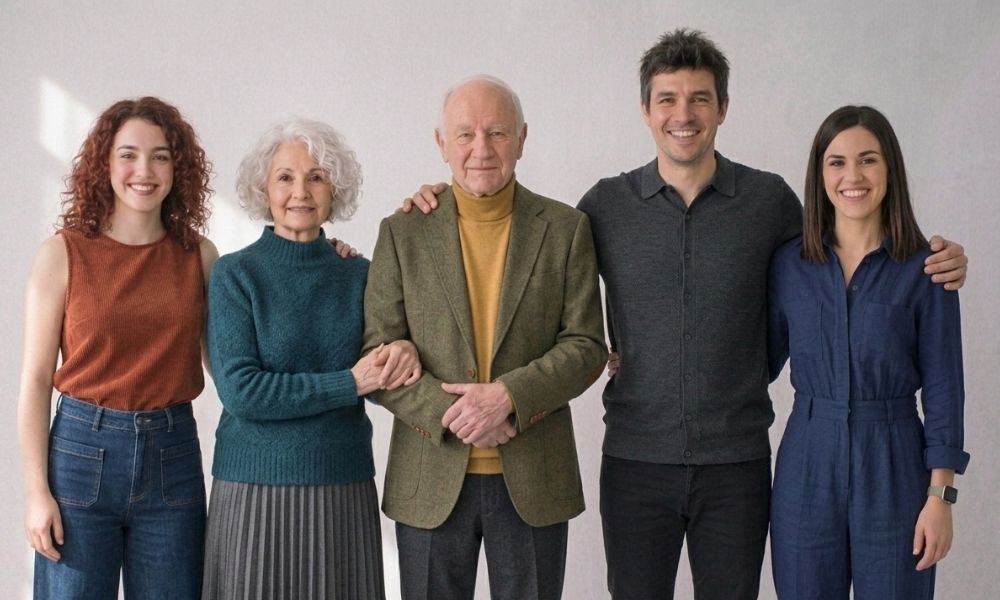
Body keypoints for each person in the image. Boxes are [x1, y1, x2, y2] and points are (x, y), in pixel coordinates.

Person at [402, 30, 968, 600]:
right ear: (646, 110)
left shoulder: (769, 203)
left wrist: (936, 257)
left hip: (737, 464)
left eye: (700, 98)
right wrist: (441, 196)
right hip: (634, 461)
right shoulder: (603, 207)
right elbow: (532, 260)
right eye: (668, 98)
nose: (684, 114)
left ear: (723, 107)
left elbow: (842, 250)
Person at [362, 75, 607, 600]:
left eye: (497, 133)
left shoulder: (565, 229)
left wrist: (509, 399)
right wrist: (463, 416)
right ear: (441, 143)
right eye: (465, 134)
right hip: (429, 478)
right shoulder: (401, 231)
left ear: (522, 139)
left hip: (534, 479)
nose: (481, 149)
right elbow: (376, 353)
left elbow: (587, 347)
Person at [201, 119, 420, 600]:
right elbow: (242, 392)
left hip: (341, 482)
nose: (300, 191)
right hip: (251, 487)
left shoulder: (361, 273)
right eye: (285, 177)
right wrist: (349, 382)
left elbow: (384, 381)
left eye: (316, 176)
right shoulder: (234, 275)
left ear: (334, 188)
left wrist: (403, 352)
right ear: (264, 187)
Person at [17, 97, 217, 599]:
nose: (143, 171)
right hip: (80, 454)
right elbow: (36, 381)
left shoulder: (200, 256)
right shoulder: (62, 253)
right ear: (104, 163)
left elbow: (229, 364)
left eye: (161, 156)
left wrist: (323, 248)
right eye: (128, 154)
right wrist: (37, 492)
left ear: (178, 167)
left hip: (173, 455)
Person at [767, 105, 969, 599]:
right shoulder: (789, 266)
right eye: (836, 162)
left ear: (890, 170)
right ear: (820, 175)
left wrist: (940, 497)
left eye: (868, 160)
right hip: (807, 463)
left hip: (896, 464)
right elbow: (754, 362)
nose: (852, 176)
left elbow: (945, 387)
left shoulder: (928, 269)